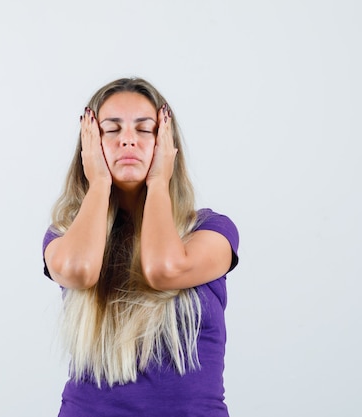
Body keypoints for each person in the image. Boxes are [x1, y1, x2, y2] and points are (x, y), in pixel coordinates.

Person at [42, 77, 239, 417]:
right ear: (89, 145)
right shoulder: (65, 235)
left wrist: (159, 182)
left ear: (166, 144)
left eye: (144, 129)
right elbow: (79, 271)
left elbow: (164, 270)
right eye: (111, 130)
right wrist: (100, 182)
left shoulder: (211, 232)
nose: (128, 140)